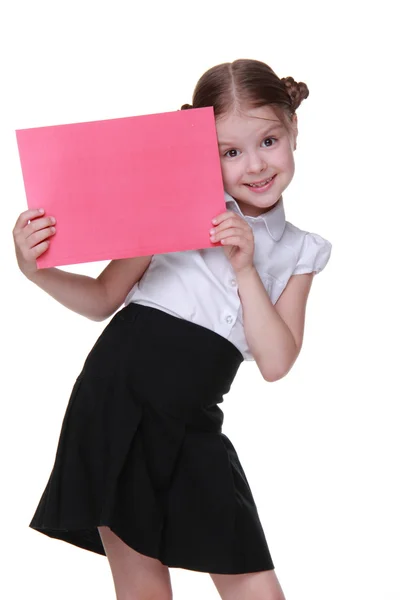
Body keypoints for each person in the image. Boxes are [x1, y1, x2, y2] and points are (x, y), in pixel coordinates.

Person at [12, 58, 332, 600]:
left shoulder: (303, 250)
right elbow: (102, 299)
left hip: (194, 427)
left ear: (293, 130)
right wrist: (33, 269)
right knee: (144, 590)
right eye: (229, 152)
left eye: (268, 141)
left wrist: (244, 266)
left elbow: (277, 362)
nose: (254, 165)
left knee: (257, 586)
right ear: (203, 154)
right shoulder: (170, 210)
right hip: (118, 407)